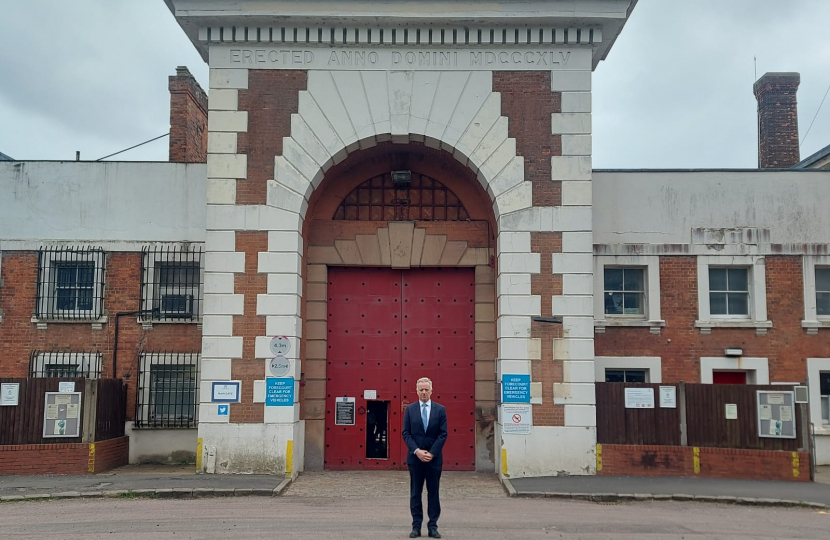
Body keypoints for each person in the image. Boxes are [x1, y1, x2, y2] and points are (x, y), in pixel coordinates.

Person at [402, 377, 448, 539]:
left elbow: (443, 434)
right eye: (420, 389)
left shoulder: (440, 410)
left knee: (433, 493)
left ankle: (433, 526)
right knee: (416, 493)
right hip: (415, 460)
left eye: (426, 389)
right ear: (416, 391)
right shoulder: (410, 410)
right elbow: (406, 433)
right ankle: (416, 526)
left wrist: (432, 453)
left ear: (431, 391)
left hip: (434, 460)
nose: (423, 392)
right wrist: (417, 451)